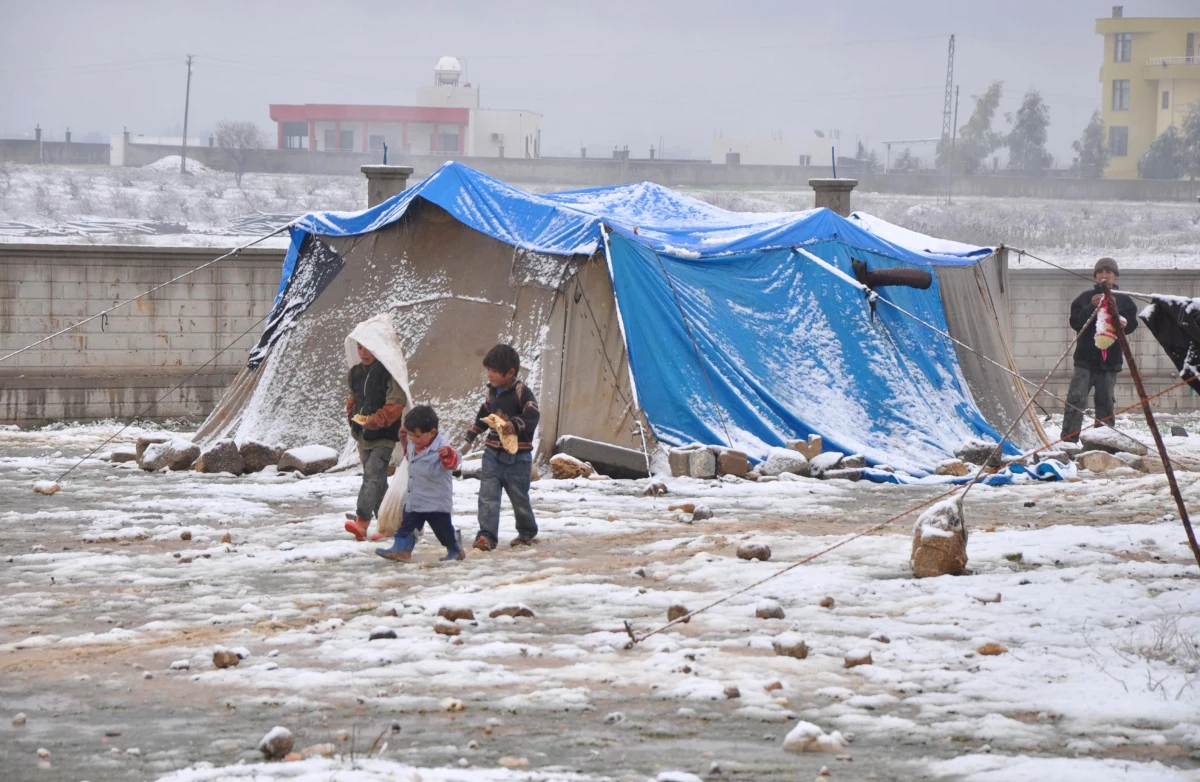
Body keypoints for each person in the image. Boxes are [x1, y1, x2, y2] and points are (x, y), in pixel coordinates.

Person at [465, 344, 540, 551]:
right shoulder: (492, 393)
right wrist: (473, 433)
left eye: (495, 371)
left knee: (519, 498)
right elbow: (484, 414)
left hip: (518, 457)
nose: (490, 374)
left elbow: (533, 414)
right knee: (487, 496)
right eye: (488, 370)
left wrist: (515, 424)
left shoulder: (521, 392)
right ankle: (486, 536)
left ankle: (526, 532)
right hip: (492, 454)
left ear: (510, 373)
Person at [1062, 256, 1139, 443]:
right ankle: (1069, 441)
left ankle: (1103, 441)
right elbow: (1076, 323)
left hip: (1110, 360)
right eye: (1101, 272)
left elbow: (1130, 326)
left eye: (1109, 272)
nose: (1105, 275)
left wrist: (1116, 313)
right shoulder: (1084, 298)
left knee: (1105, 402)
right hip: (1084, 360)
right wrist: (1091, 306)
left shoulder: (1124, 300)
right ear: (1095, 276)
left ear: (1115, 276)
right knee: (1076, 400)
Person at [376, 405, 465, 562]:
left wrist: (448, 454)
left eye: (416, 436)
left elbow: (454, 462)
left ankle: (455, 548)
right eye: (410, 435)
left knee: (443, 531)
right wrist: (403, 439)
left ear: (432, 433)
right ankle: (401, 549)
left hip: (434, 502)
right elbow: (410, 457)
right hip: (414, 498)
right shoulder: (412, 444)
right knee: (406, 527)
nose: (412, 439)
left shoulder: (442, 448)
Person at [344, 342, 406, 541]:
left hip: (384, 435)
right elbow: (354, 398)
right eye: (360, 348)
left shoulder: (388, 372)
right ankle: (389, 524)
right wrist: (352, 416)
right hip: (362, 435)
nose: (364, 353)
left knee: (372, 475)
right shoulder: (355, 373)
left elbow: (396, 403)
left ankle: (362, 521)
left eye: (369, 348)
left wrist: (377, 419)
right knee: (378, 481)